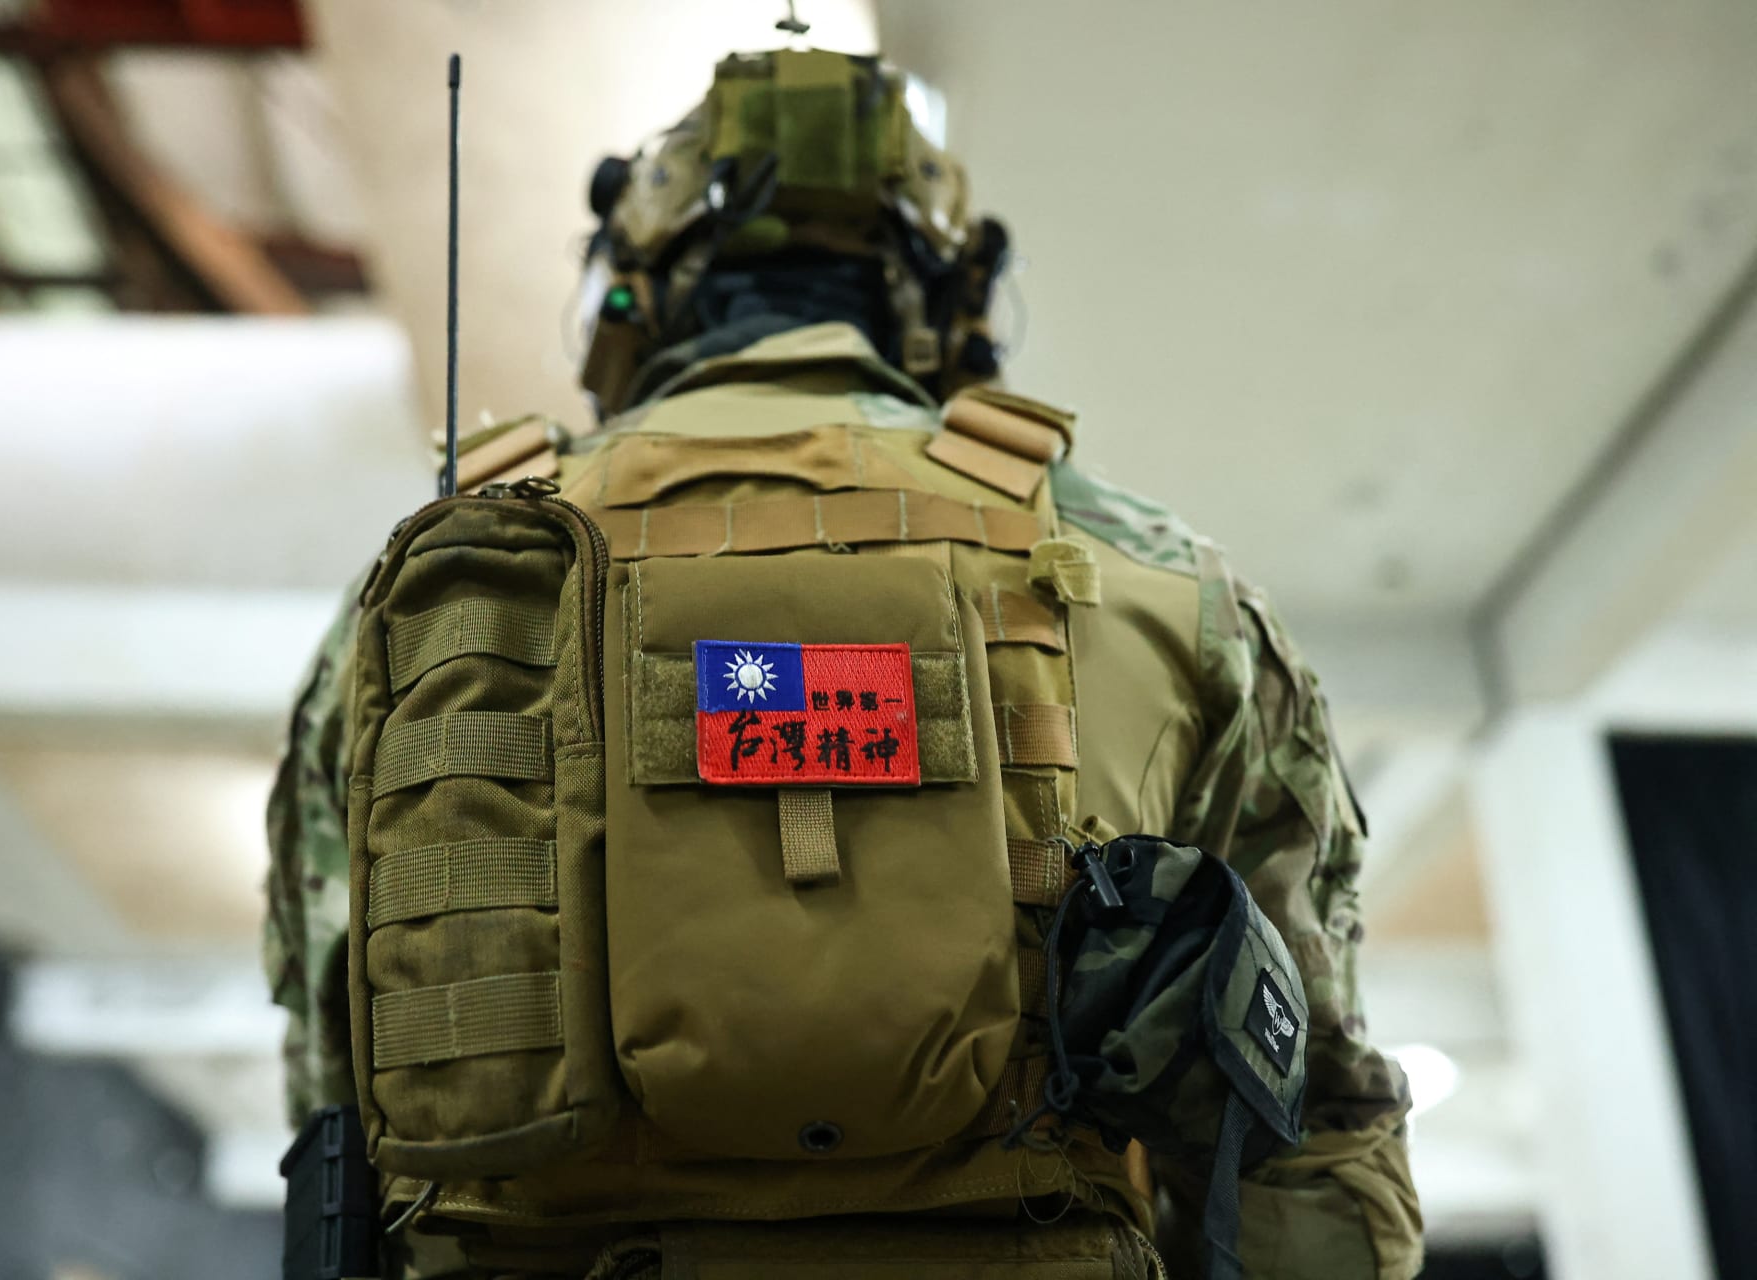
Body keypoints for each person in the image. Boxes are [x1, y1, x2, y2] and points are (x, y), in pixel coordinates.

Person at [267, 46, 1421, 1280]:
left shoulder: (448, 588)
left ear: (640, 295)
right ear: (946, 299)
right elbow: (1314, 1121)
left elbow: (348, 1070)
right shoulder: (1162, 578)